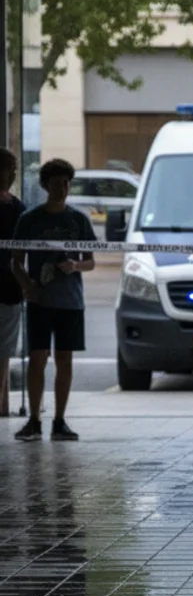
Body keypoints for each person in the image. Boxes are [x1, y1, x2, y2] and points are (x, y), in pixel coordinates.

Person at [11, 159, 95, 442]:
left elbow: (90, 262)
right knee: (37, 357)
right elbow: (16, 261)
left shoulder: (79, 220)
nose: (64, 188)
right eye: (58, 183)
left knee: (65, 359)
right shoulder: (30, 219)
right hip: (41, 301)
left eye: (67, 183)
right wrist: (28, 286)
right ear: (46, 185)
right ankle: (34, 420)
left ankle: (59, 421)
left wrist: (75, 266)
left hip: (70, 301)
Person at [0, 149, 23, 418]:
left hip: (9, 288)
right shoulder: (15, 207)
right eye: (9, 169)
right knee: (4, 351)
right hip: (9, 287)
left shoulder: (16, 207)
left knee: (5, 351)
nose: (13, 174)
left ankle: (3, 405)